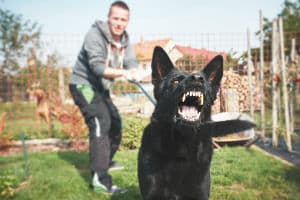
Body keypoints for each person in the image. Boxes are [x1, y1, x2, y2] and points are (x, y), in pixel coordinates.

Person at [69, 1, 138, 194]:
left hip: (101, 89)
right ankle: (100, 179)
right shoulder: (95, 35)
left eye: (123, 19)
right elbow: (98, 67)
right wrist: (123, 73)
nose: (119, 23)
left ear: (128, 21)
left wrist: (135, 71)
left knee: (115, 123)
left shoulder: (124, 39)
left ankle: (104, 161)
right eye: (115, 18)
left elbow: (131, 61)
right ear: (108, 18)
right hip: (84, 85)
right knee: (101, 121)